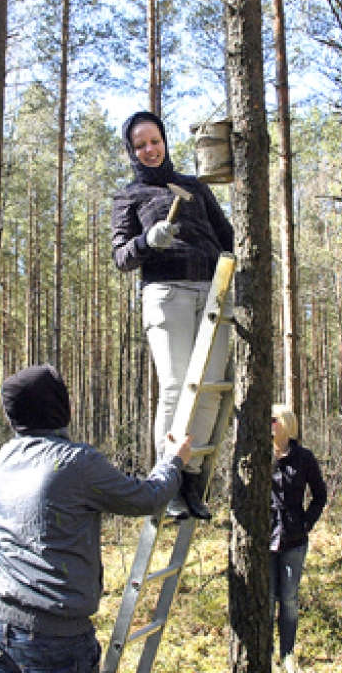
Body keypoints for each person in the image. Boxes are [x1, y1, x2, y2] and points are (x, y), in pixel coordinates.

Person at [0, 364, 193, 673]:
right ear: (57, 407)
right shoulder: (75, 463)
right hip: (54, 639)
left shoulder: (4, 457)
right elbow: (147, 497)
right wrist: (174, 461)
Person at [111, 110, 234, 521]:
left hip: (214, 291)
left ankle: (191, 479)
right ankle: (169, 478)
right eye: (140, 145)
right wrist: (147, 241)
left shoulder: (195, 187)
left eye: (155, 141)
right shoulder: (129, 196)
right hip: (167, 293)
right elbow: (121, 257)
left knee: (210, 388)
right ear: (131, 151)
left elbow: (228, 236)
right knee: (177, 386)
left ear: (164, 141)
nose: (150, 150)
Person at [270, 404, 328, 673]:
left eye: (274, 420)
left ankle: (287, 654)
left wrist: (305, 523)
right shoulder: (259, 455)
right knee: (266, 599)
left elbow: (319, 496)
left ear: (286, 423)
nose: (270, 425)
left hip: (294, 540)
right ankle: (266, 651)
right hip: (265, 539)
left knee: (289, 600)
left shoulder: (304, 457)